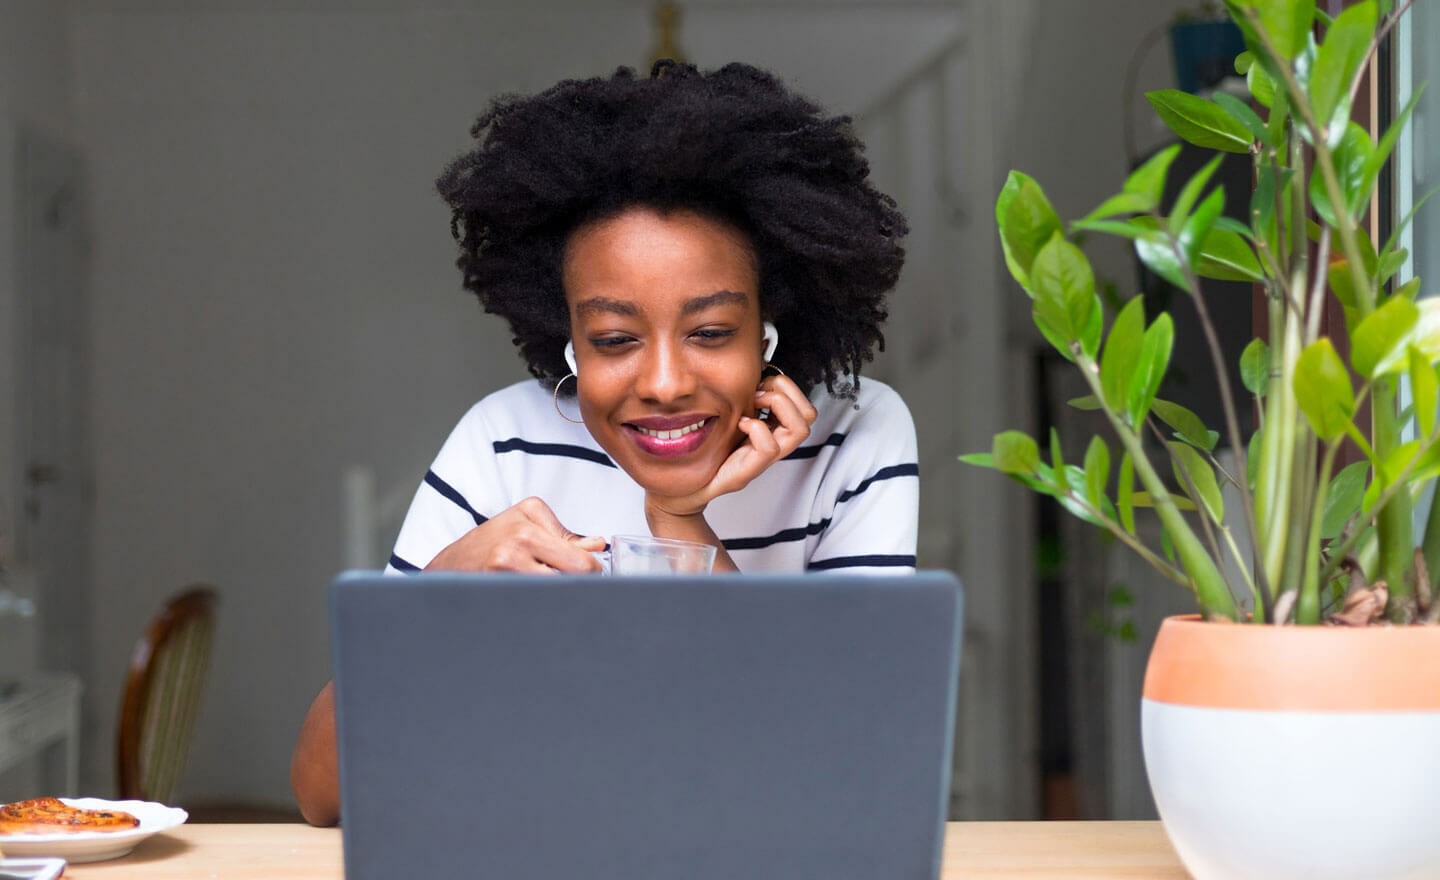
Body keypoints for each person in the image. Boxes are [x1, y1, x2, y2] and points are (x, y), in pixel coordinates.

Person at [290, 60, 919, 826]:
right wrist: (429, 606)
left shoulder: (854, 437)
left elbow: (844, 776)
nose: (663, 382)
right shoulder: (503, 443)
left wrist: (680, 519)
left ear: (769, 329)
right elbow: (321, 792)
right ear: (569, 345)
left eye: (712, 332)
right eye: (616, 338)